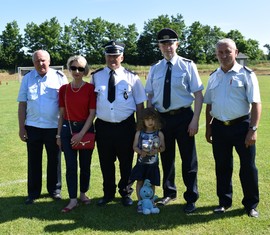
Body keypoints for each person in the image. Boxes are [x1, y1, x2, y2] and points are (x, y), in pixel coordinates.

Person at [145, 28, 204, 213]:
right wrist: (152, 122)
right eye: (163, 44)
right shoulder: (155, 68)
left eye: (170, 43)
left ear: (176, 44)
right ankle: (169, 193)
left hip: (184, 117)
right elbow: (151, 97)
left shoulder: (188, 65)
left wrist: (195, 120)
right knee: (166, 158)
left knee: (189, 160)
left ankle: (191, 197)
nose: (167, 47)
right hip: (163, 120)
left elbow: (198, 95)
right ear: (159, 46)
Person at [204, 38, 261, 218]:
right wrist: (208, 127)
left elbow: (256, 103)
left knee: (248, 167)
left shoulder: (246, 74)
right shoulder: (213, 76)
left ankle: (251, 205)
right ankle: (224, 202)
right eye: (220, 52)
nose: (224, 55)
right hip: (220, 127)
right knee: (222, 166)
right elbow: (209, 104)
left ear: (236, 53)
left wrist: (253, 129)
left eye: (227, 51)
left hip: (242, 126)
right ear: (216, 54)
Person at [91, 40, 147, 207]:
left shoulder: (132, 77)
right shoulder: (96, 76)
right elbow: (93, 102)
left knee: (126, 162)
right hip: (103, 126)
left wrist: (140, 127)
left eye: (116, 55)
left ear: (122, 57)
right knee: (106, 162)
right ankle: (108, 193)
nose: (112, 59)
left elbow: (140, 104)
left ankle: (125, 193)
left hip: (126, 126)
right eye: (109, 55)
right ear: (105, 56)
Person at [17, 49, 68, 204]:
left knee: (55, 160)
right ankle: (33, 193)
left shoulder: (59, 77)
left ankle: (55, 190)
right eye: (37, 61)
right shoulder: (27, 79)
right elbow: (22, 105)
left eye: (43, 60)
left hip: (54, 127)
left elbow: (65, 106)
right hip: (32, 126)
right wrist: (21, 128)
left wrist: (62, 130)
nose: (41, 63)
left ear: (49, 61)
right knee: (33, 161)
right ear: (33, 63)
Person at [57, 55, 96, 213]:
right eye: (73, 68)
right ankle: (72, 199)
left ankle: (83, 194)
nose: (77, 71)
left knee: (85, 165)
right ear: (69, 69)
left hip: (86, 130)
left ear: (85, 70)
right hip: (67, 130)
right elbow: (61, 114)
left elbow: (92, 114)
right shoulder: (63, 89)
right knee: (71, 166)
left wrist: (81, 134)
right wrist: (58, 135)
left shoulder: (90, 89)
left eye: (80, 68)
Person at [129, 108, 165, 213]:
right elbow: (134, 147)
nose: (150, 122)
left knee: (152, 183)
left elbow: (163, 147)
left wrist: (157, 150)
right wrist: (140, 152)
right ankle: (140, 202)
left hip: (153, 163)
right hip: (141, 163)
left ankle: (150, 201)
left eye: (152, 119)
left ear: (156, 121)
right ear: (142, 121)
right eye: (147, 119)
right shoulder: (139, 133)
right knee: (140, 181)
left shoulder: (159, 134)